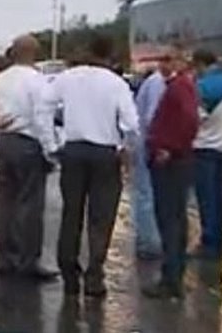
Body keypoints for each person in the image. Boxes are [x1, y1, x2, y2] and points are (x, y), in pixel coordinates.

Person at [39, 33, 138, 299]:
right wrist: (125, 146)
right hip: (105, 154)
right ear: (109, 55)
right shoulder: (116, 83)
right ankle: (95, 274)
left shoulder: (67, 78)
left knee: (71, 213)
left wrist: (50, 144)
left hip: (73, 151)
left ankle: (69, 272)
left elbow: (43, 107)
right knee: (101, 217)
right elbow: (131, 121)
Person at [0, 35, 58, 282]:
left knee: (5, 203)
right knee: (29, 205)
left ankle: (5, 258)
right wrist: (50, 150)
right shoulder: (38, 82)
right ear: (34, 53)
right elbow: (42, 118)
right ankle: (27, 260)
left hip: (5, 142)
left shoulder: (0, 80)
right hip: (28, 144)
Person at [143, 46, 200, 300]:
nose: (162, 65)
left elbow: (189, 120)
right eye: (160, 60)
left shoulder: (180, 87)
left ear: (181, 61)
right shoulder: (178, 86)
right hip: (172, 159)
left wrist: (169, 147)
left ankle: (172, 277)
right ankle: (173, 274)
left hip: (171, 162)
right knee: (172, 217)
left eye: (167, 60)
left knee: (170, 218)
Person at [190, 49, 222, 261]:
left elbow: (196, 118)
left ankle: (209, 244)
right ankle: (218, 241)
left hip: (205, 148)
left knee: (207, 199)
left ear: (200, 64)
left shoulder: (204, 87)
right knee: (219, 198)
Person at [133, 62, 167, 260]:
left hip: (151, 143)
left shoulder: (161, 82)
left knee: (150, 193)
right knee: (147, 193)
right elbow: (151, 117)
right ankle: (149, 243)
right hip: (149, 144)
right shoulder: (157, 83)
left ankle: (151, 240)